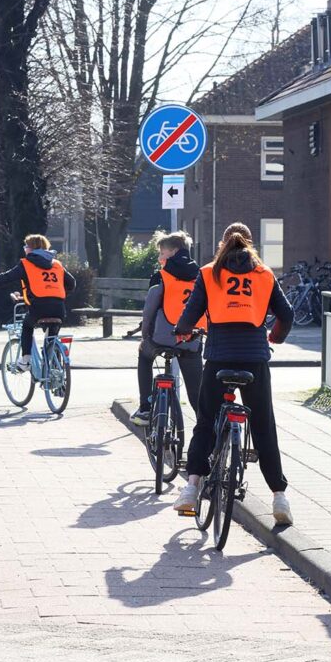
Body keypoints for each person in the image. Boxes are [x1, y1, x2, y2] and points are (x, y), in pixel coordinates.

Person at [172, 222, 295, 525]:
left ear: (222, 244)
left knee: (205, 422)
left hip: (219, 358)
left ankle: (191, 488)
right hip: (254, 358)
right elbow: (287, 313)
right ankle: (279, 498)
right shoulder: (264, 274)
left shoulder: (209, 273)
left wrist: (183, 331)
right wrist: (275, 337)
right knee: (264, 427)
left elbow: (190, 314)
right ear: (251, 244)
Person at [0, 234, 76, 371]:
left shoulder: (26, 264)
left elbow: (4, 278)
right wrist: (55, 293)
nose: (24, 249)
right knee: (51, 336)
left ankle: (25, 361)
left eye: (26, 246)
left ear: (31, 249)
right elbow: (72, 283)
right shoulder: (57, 265)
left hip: (39, 307)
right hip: (59, 308)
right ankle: (55, 372)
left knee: (27, 326)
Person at [130, 231, 203, 426]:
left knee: (144, 357)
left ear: (173, 252)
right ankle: (204, 425)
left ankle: (145, 408)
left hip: (161, 337)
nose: (159, 257)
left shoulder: (161, 276)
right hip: (191, 338)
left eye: (162, 253)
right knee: (197, 391)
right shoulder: (202, 276)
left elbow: (149, 311)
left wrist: (145, 335)